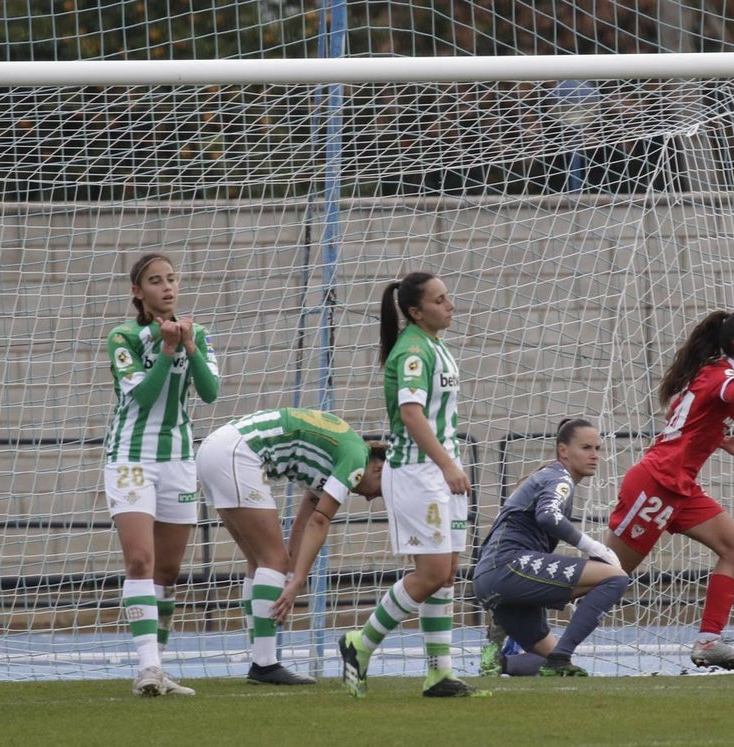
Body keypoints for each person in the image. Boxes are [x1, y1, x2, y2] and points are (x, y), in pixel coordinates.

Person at [603, 308, 734, 672]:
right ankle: (517, 612)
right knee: (606, 576)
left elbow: (679, 420)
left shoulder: (715, 372)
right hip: (656, 484)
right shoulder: (727, 376)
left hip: (679, 487)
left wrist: (722, 441)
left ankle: (708, 641)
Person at [338, 271, 490, 698]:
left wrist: (450, 465)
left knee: (447, 574)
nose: (450, 305)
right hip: (419, 474)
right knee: (432, 572)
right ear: (415, 311)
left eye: (448, 296)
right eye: (440, 300)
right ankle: (359, 643)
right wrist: (446, 465)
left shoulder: (436, 346)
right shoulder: (410, 353)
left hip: (441, 473)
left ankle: (440, 674)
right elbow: (410, 415)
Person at [196, 408, 387, 685]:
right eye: (378, 491)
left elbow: (307, 517)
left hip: (217, 448)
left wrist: (290, 572)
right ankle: (264, 664)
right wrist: (296, 580)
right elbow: (321, 522)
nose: (370, 499)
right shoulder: (356, 459)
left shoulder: (343, 451)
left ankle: (261, 659)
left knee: (261, 561)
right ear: (378, 468)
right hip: (238, 454)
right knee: (272, 560)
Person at [103, 252, 220, 697]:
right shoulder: (124, 336)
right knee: (139, 561)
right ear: (138, 291)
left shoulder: (199, 333)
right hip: (131, 458)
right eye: (155, 280)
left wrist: (188, 347)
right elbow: (143, 398)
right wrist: (167, 349)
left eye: (172, 279)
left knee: (168, 573)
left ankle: (160, 670)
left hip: (178, 459)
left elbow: (209, 393)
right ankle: (147, 668)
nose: (167, 287)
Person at [472, 418, 629, 677]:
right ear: (563, 450)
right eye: (586, 448)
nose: (594, 456)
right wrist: (595, 548)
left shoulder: (546, 477)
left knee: (546, 658)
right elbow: (547, 516)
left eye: (597, 448)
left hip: (489, 580)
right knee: (615, 579)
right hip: (508, 567)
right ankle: (560, 658)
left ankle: (499, 660)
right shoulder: (560, 478)